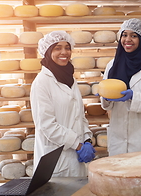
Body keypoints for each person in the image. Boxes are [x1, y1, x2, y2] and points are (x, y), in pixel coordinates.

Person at [100, 18, 141, 156]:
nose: (128, 39)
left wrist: (134, 97)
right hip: (118, 137)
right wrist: (105, 98)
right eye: (124, 35)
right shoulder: (112, 65)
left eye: (134, 36)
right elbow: (107, 105)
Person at [30, 30, 95, 177]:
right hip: (55, 158)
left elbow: (79, 115)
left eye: (67, 47)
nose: (64, 52)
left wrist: (87, 140)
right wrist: (77, 145)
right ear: (47, 51)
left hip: (75, 156)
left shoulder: (70, 79)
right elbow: (46, 125)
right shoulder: (42, 82)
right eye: (57, 48)